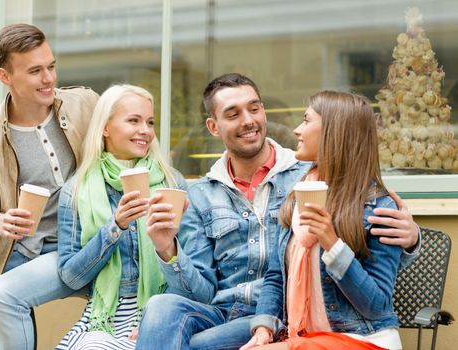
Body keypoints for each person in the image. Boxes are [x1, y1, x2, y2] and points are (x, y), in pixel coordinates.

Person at [136, 73, 420, 350]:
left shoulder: (300, 178)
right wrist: (167, 250)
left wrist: (411, 239)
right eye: (233, 114)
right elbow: (203, 292)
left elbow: (365, 241)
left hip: (291, 316)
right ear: (214, 127)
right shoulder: (202, 195)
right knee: (160, 307)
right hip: (229, 312)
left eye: (255, 108)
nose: (249, 121)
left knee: (196, 345)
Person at [0, 24, 98, 350]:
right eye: (35, 71)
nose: (49, 79)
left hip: (75, 246)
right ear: (5, 76)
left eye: (51, 66)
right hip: (10, 253)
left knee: (7, 296)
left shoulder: (85, 105)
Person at [241, 91, 405, 350]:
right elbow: (275, 277)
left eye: (306, 121)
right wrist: (263, 327)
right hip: (306, 338)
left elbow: (376, 306)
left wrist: (332, 243)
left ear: (333, 131)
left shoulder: (378, 209)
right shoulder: (297, 196)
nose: (296, 130)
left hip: (362, 340)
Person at [55, 84, 187, 349]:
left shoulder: (173, 182)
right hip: (104, 315)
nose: (145, 131)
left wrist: (157, 317)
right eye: (133, 121)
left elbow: (192, 267)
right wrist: (115, 227)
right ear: (105, 127)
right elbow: (71, 277)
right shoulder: (78, 188)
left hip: (164, 307)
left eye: (149, 122)